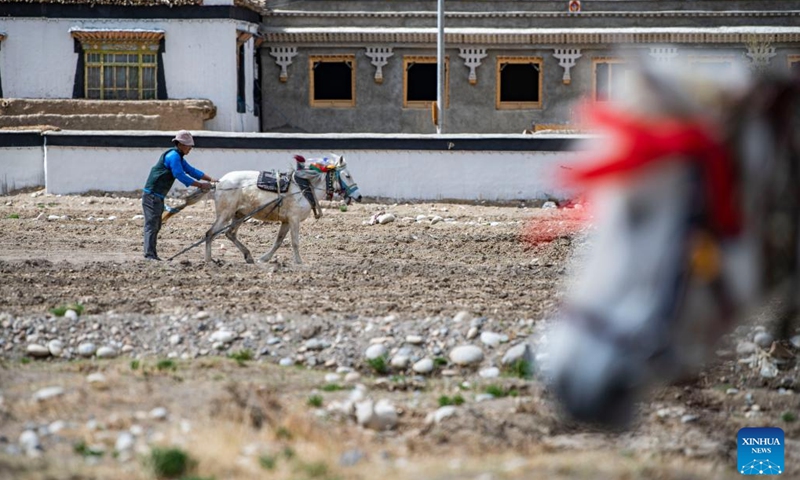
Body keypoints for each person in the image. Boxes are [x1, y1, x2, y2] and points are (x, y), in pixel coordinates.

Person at [142, 130, 216, 260]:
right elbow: (179, 174)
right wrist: (200, 185)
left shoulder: (179, 157)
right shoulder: (173, 156)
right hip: (152, 195)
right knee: (152, 225)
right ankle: (149, 256)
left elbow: (191, 170)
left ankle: (152, 254)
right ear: (181, 144)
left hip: (158, 196)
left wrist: (210, 179)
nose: (190, 149)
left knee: (156, 225)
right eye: (189, 145)